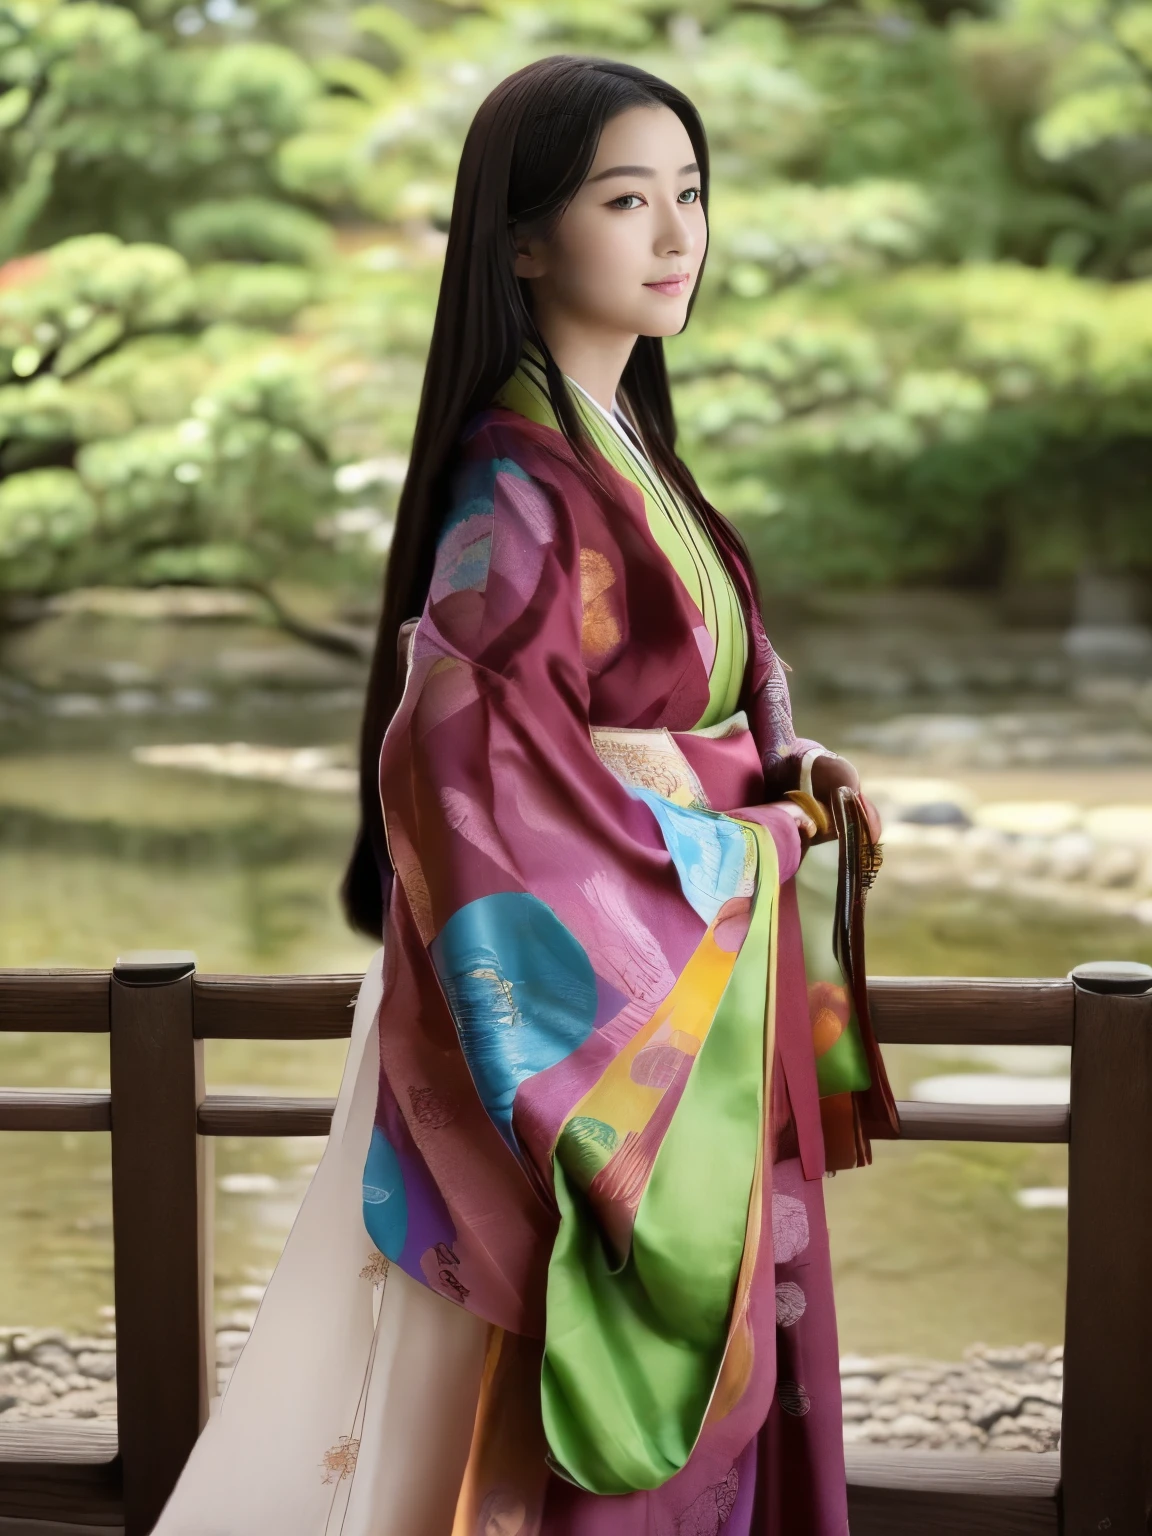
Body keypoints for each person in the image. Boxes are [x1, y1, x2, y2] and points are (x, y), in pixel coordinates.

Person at [150, 53, 895, 1536]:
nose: (678, 237)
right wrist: (747, 841)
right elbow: (465, 768)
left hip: (688, 973)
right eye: (629, 200)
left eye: (691, 196)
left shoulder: (627, 457)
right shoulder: (519, 486)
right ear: (525, 239)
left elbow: (697, 710)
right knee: (521, 1416)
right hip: (597, 1000)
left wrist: (788, 769)